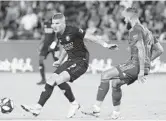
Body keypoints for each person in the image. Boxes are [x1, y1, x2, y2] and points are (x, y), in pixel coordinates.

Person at [21, 13, 118, 118]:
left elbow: (91, 37)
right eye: (53, 23)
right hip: (70, 60)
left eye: (57, 23)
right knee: (50, 80)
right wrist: (60, 60)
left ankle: (72, 104)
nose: (54, 25)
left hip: (81, 61)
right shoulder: (58, 34)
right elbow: (65, 47)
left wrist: (106, 45)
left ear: (64, 23)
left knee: (57, 80)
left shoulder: (73, 30)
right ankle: (39, 108)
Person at [82, 7, 164, 119]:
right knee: (115, 83)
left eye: (125, 16)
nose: (124, 19)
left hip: (136, 65)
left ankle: (96, 109)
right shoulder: (147, 31)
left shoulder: (135, 29)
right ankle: (116, 114)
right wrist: (146, 63)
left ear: (130, 16)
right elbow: (159, 50)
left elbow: (140, 49)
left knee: (105, 75)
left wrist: (140, 70)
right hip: (142, 66)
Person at [37, 18, 60, 85]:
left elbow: (58, 36)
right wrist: (40, 44)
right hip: (45, 46)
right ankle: (43, 79)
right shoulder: (45, 24)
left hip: (54, 46)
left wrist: (54, 44)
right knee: (40, 60)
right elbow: (45, 35)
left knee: (57, 62)